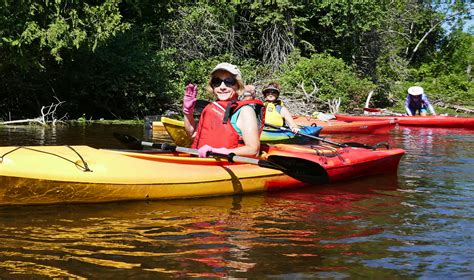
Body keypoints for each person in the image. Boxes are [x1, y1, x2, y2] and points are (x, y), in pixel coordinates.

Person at [182, 62, 265, 158]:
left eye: (229, 82)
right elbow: (192, 134)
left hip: (230, 166)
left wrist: (220, 152)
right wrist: (188, 112)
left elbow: (253, 150)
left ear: (238, 86)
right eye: (217, 82)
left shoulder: (245, 111)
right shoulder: (211, 108)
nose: (222, 87)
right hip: (205, 164)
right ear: (213, 87)